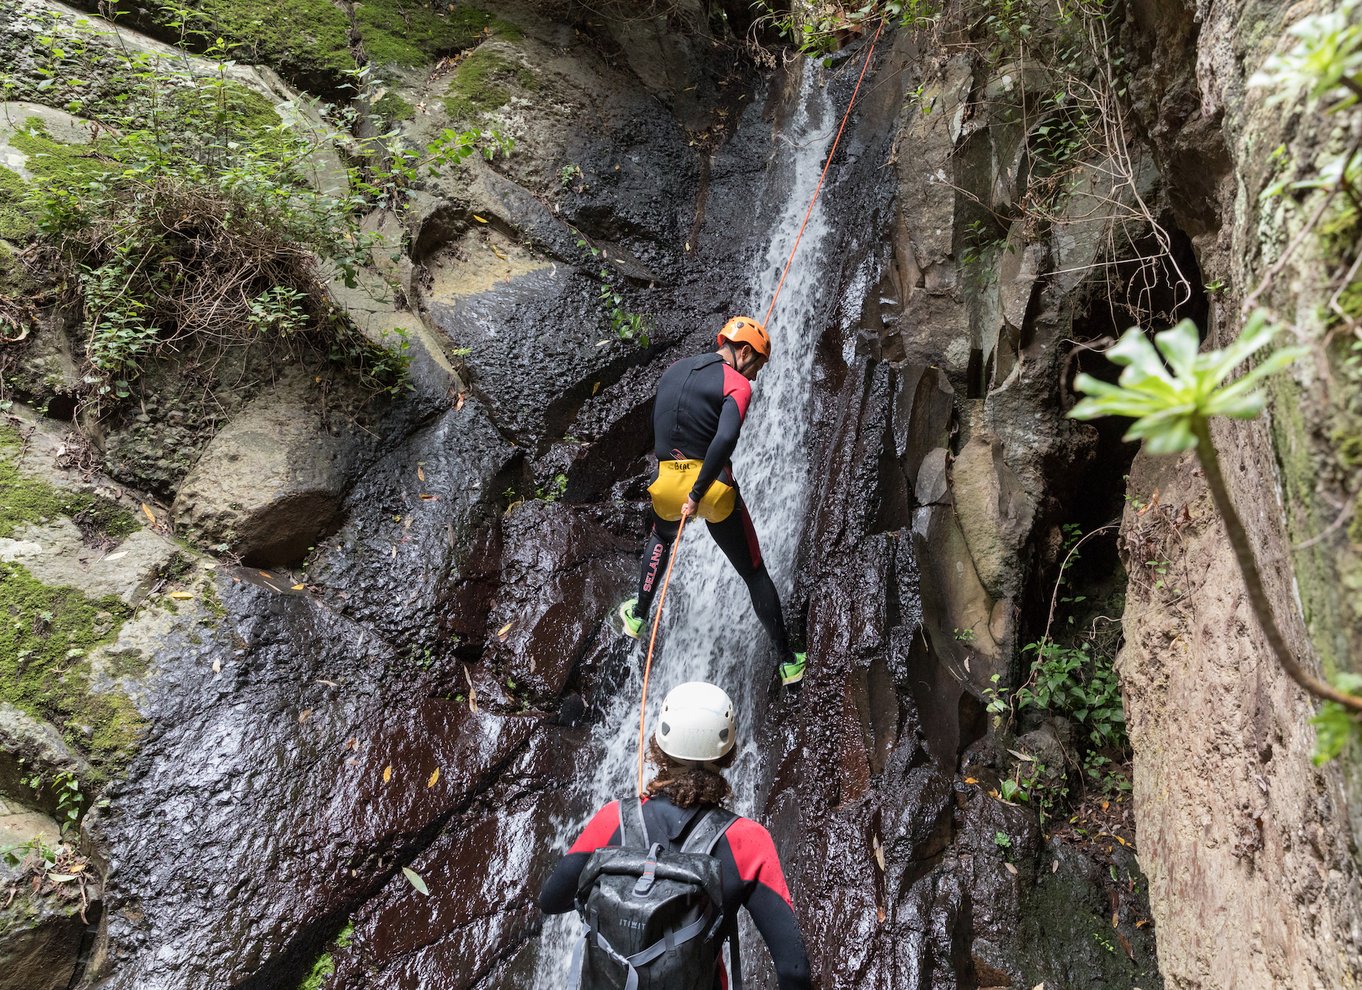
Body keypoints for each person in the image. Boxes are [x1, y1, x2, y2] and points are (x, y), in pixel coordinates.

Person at [539, 681, 812, 990]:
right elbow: (794, 970)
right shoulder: (746, 841)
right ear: (729, 753)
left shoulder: (612, 819)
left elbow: (551, 900)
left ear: (659, 745)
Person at [616, 316, 806, 687]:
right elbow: (725, 439)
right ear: (745, 351)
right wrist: (699, 491)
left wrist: (683, 489)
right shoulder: (736, 383)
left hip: (666, 482)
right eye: (757, 366)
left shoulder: (672, 372)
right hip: (712, 487)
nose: (754, 376)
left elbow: (662, 425)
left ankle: (638, 614)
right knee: (753, 572)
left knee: (661, 536)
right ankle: (787, 661)